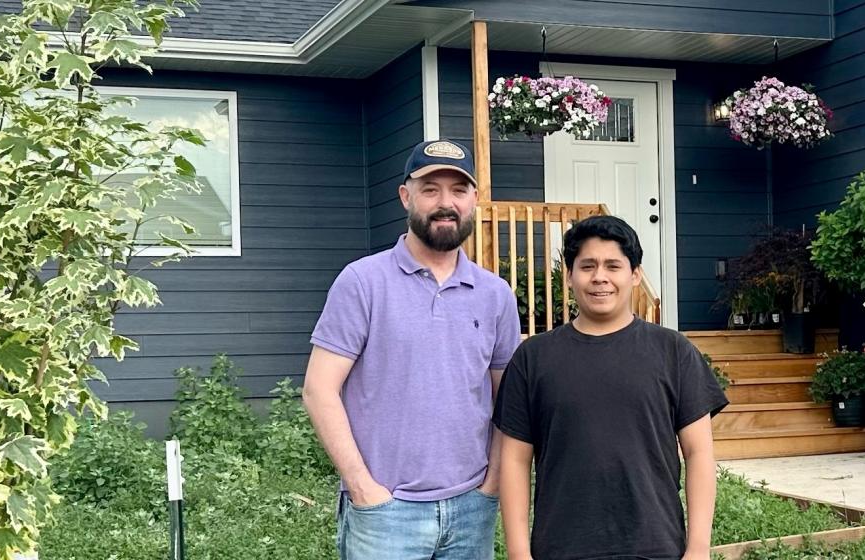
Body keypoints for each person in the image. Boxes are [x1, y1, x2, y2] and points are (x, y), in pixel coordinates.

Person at [302, 139, 522, 559]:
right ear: (406, 196)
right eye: (430, 189)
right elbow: (319, 390)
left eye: (459, 190)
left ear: (474, 199)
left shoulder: (496, 295)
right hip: (385, 515)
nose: (446, 203)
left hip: (471, 509)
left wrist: (492, 484)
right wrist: (364, 488)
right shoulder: (362, 282)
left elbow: (507, 401)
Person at [494, 215, 729, 560]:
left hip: (656, 547)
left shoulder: (674, 352)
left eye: (613, 266)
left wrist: (698, 548)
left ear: (634, 274)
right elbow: (514, 460)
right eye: (587, 265)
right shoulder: (533, 358)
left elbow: (699, 454)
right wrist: (518, 553)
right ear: (570, 274)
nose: (600, 277)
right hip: (560, 548)